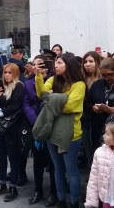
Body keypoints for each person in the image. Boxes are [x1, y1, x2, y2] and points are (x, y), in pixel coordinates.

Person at [35, 53, 86, 208]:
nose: (55, 65)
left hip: (71, 133)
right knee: (57, 169)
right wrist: (38, 77)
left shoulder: (79, 84)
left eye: (59, 63)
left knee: (72, 170)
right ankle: (61, 199)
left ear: (68, 65)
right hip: (52, 131)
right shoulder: (53, 79)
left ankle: (74, 202)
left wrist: (52, 97)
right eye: (56, 63)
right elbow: (42, 95)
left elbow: (70, 106)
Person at [0, 63, 24, 202]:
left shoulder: (19, 86)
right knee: (1, 155)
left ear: (15, 73)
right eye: (5, 72)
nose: (7, 75)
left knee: (13, 157)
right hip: (0, 125)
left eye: (9, 72)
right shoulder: (4, 86)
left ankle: (13, 186)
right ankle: (1, 183)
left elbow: (15, 107)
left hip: (12, 126)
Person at [24, 55, 57, 207]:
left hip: (52, 125)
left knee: (53, 161)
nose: (37, 67)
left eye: (41, 64)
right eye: (35, 64)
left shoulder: (55, 81)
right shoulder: (28, 82)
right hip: (36, 124)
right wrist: (35, 121)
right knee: (37, 160)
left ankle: (54, 192)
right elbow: (26, 104)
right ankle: (38, 190)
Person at [85, 120, 114, 208]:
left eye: (107, 134)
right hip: (106, 199)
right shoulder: (99, 153)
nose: (103, 136)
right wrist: (91, 203)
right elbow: (93, 179)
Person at [87, 58, 114, 152]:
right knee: (99, 152)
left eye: (110, 74)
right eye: (103, 75)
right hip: (98, 124)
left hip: (112, 127)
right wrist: (92, 107)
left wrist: (112, 110)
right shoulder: (97, 84)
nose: (107, 78)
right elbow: (87, 101)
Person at [81, 51, 101, 169]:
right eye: (85, 62)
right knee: (88, 150)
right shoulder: (80, 79)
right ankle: (91, 173)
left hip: (99, 119)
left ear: (97, 63)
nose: (87, 64)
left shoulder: (103, 79)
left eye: (91, 61)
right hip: (84, 118)